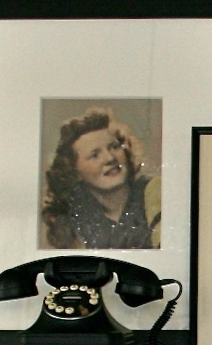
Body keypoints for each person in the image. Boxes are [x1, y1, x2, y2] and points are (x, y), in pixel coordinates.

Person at [41, 107, 160, 250]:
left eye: (114, 147)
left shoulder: (154, 191)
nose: (110, 158)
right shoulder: (74, 220)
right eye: (95, 155)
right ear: (75, 171)